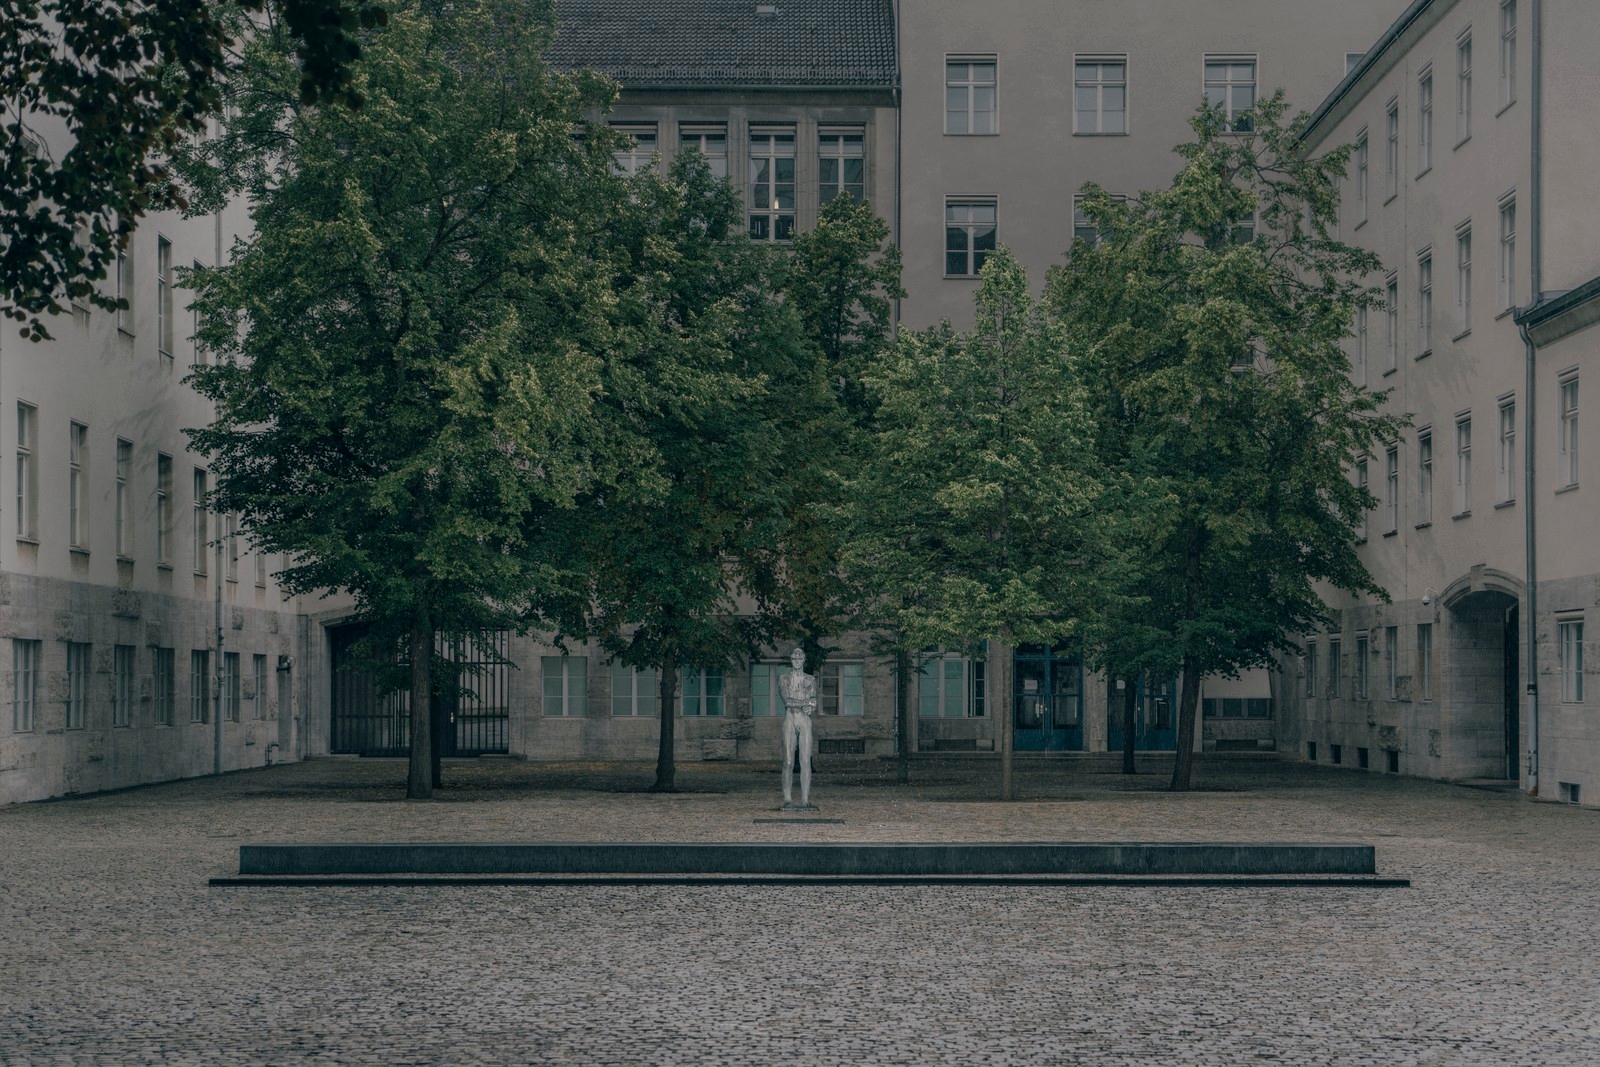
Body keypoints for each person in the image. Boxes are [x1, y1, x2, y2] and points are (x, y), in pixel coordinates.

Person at [778, 647, 817, 808]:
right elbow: (787, 700)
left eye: (800, 658)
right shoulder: (784, 678)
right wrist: (806, 703)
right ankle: (787, 799)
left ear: (804, 660)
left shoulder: (810, 679)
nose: (797, 660)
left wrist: (811, 706)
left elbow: (813, 700)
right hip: (790, 718)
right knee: (788, 761)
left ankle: (805, 800)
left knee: (805, 760)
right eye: (794, 658)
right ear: (791, 660)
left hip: (804, 720)